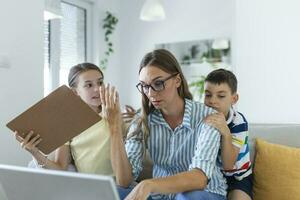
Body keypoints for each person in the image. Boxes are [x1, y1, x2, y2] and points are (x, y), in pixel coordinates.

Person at [104, 49, 227, 200]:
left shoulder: (208, 117)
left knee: (186, 198)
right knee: (116, 192)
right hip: (161, 196)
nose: (151, 93)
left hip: (205, 193)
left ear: (177, 80)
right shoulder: (142, 120)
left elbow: (199, 178)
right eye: (145, 86)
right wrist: (114, 128)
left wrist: (147, 185)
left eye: (158, 83)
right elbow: (124, 180)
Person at [14, 63, 122, 176]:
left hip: (120, 182)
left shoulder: (114, 113)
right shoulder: (68, 124)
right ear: (75, 92)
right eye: (89, 85)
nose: (97, 89)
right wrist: (35, 153)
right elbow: (61, 169)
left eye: (100, 82)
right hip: (94, 185)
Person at [203, 69, 253, 200]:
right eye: (208, 95)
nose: (212, 101)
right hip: (213, 177)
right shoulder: (202, 118)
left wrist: (225, 131)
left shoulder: (239, 123)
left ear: (234, 99)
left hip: (238, 177)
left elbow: (228, 164)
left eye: (221, 96)